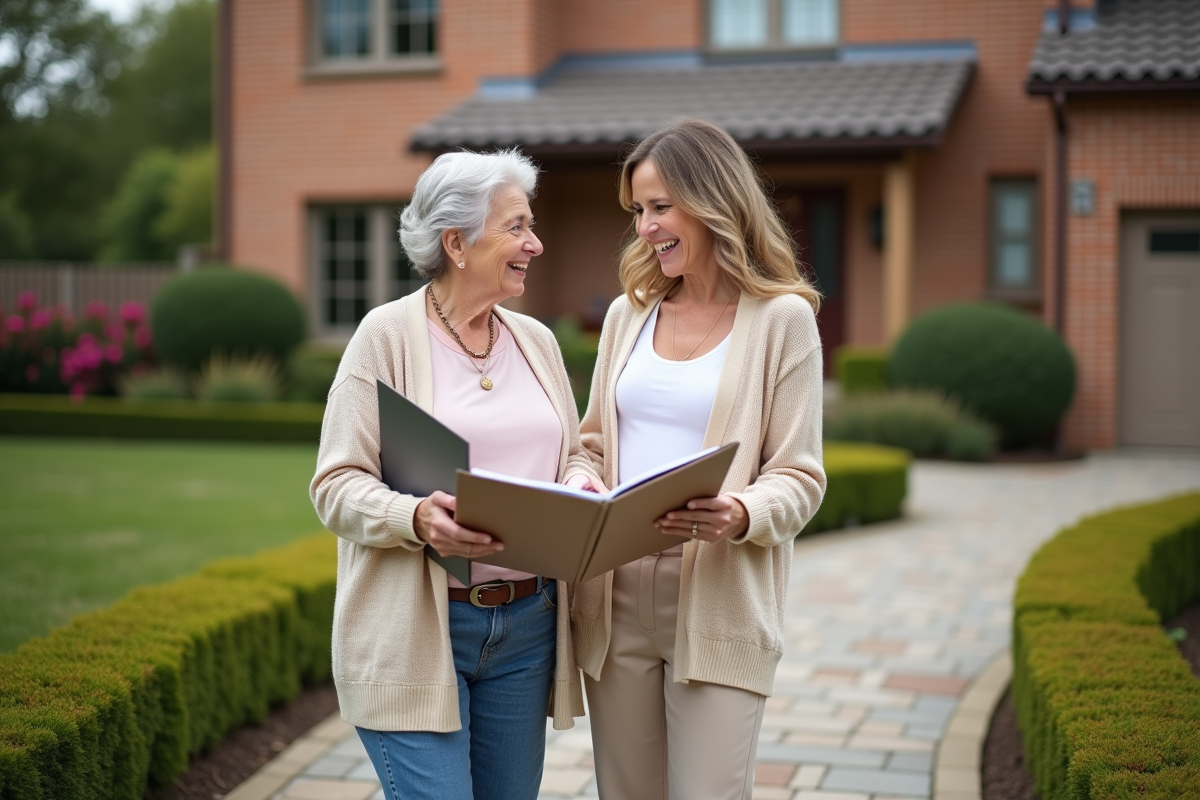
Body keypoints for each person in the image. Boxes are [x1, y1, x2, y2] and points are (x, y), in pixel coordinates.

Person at [310, 149, 597, 800]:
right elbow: (335, 486)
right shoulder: (383, 337)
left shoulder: (536, 342)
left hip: (527, 629)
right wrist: (414, 518)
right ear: (456, 244)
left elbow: (574, 452)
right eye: (517, 227)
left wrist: (580, 486)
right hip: (419, 627)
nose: (537, 243)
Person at [564, 118, 828, 800]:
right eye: (639, 212)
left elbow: (799, 474)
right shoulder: (630, 314)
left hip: (717, 591)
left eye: (660, 207)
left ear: (712, 201)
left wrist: (741, 511)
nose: (646, 228)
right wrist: (583, 481)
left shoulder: (783, 320)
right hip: (615, 587)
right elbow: (591, 440)